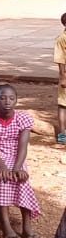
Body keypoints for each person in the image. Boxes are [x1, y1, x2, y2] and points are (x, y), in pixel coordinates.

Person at [0, 84, 41, 238]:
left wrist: (17, 167)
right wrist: (2, 166)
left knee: (22, 179)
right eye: (2, 98)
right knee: (3, 178)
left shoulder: (23, 118)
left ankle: (27, 226)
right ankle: (6, 226)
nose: (7, 101)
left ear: (16, 100)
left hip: (16, 157)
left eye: (11, 98)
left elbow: (23, 146)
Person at [54, 12, 66, 144]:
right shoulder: (61, 39)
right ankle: (62, 135)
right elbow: (60, 59)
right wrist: (63, 77)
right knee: (63, 105)